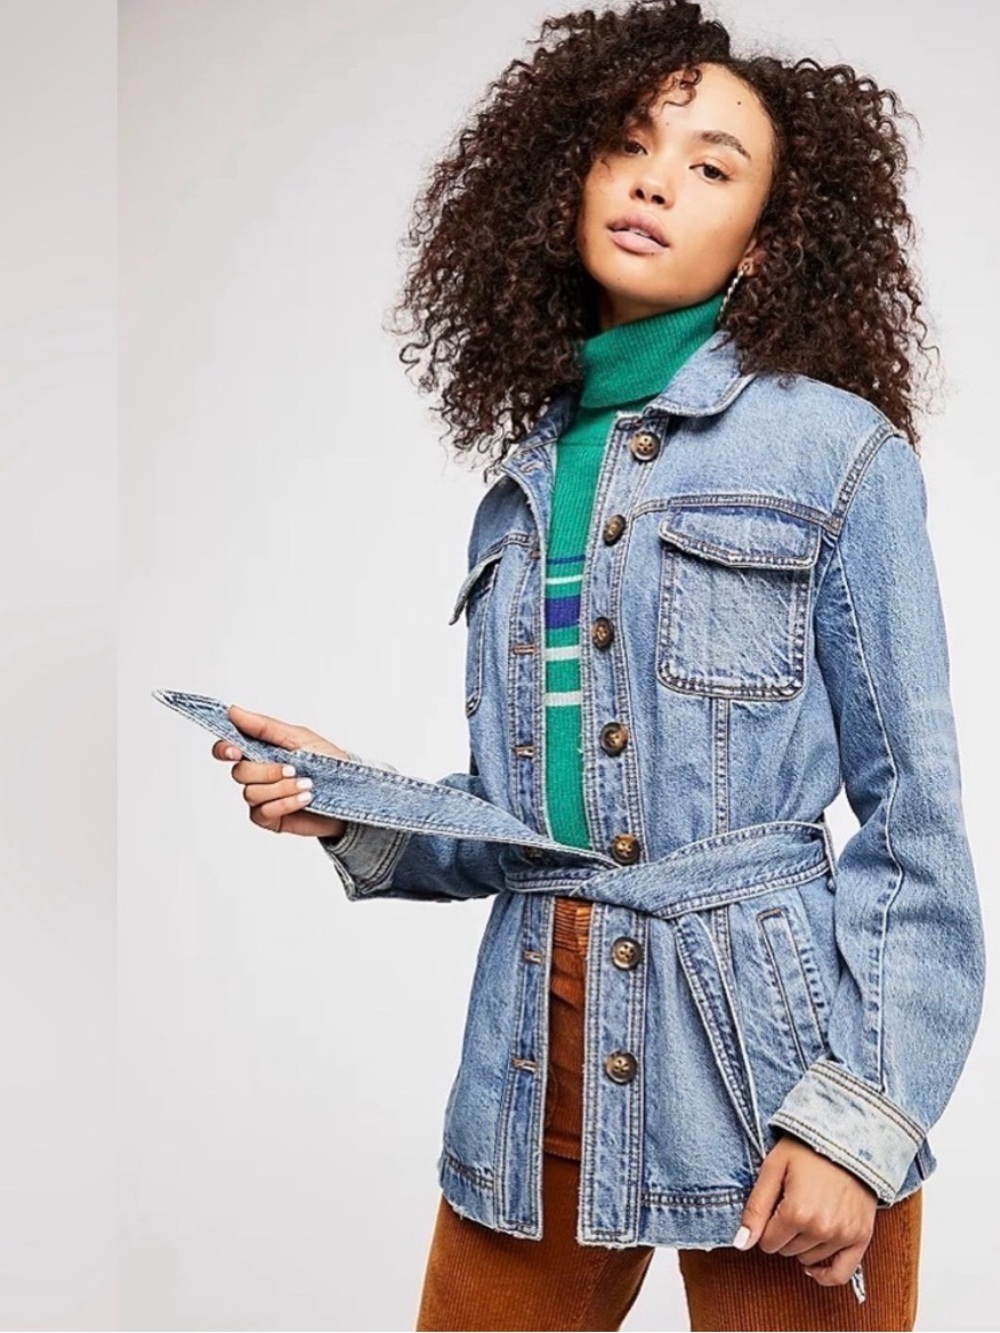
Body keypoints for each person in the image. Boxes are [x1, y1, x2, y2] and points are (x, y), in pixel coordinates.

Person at [206, 3, 985, 1328]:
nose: (655, 180)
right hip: (537, 1051)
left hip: (779, 1067)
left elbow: (915, 816)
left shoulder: (836, 452)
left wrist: (859, 1122)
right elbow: (545, 826)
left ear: (767, 238)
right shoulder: (526, 479)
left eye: (712, 165)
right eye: (630, 143)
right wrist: (353, 803)